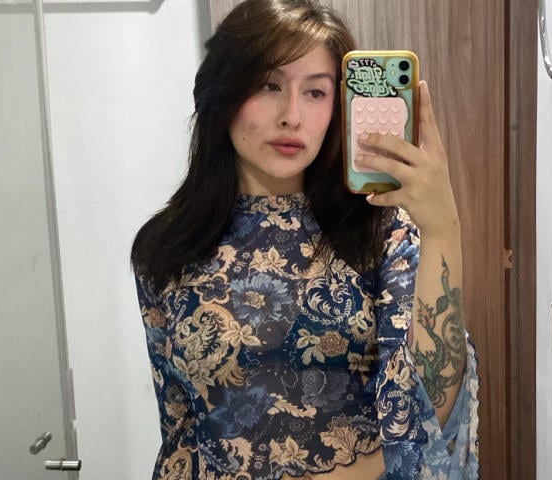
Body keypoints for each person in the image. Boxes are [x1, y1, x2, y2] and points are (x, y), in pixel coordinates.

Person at [131, 0, 479, 479]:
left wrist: (442, 229)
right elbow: (179, 427)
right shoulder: (164, 247)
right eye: (268, 85)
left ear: (337, 109)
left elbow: (426, 408)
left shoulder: (381, 233)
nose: (291, 115)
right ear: (224, 91)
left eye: (316, 92)